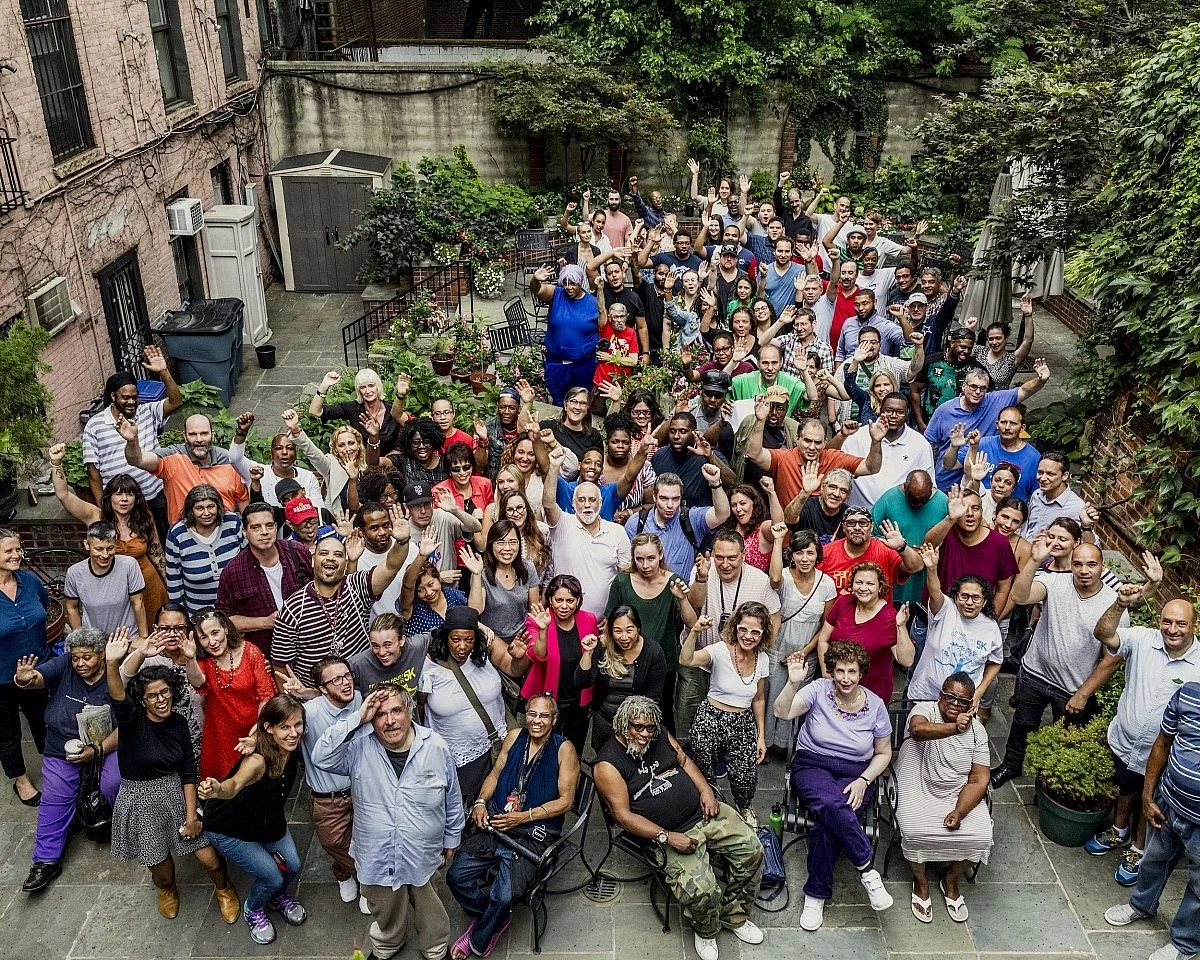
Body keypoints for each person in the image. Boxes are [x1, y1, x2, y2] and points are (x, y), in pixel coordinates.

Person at [595, 695, 765, 960]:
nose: (644, 734)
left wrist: (706, 790)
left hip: (703, 813)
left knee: (752, 849)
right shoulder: (607, 764)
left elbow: (684, 760)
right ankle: (706, 929)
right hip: (667, 834)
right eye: (636, 727)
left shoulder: (659, 734)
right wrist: (667, 836)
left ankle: (735, 915)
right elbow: (623, 816)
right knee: (703, 889)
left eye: (649, 728)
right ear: (621, 724)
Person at [312, 684, 464, 960]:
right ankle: (388, 944)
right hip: (377, 854)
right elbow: (320, 756)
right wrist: (357, 717)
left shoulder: (436, 747)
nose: (390, 720)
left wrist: (452, 837)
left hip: (424, 853)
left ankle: (435, 948)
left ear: (410, 712)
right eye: (380, 714)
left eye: (396, 710)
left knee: (431, 906)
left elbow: (452, 797)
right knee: (384, 907)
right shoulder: (358, 746)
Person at [103, 629, 239, 922]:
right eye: (152, 695)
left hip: (175, 793)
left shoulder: (178, 723)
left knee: (210, 859)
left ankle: (224, 889)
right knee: (161, 868)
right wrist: (112, 664)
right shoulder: (131, 720)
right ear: (142, 700)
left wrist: (192, 817)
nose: (160, 699)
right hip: (139, 800)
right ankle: (167, 890)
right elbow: (116, 694)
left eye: (165, 692)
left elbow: (188, 771)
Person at [447, 693, 581, 960]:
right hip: (497, 822)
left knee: (505, 895)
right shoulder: (514, 736)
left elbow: (566, 801)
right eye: (532, 714)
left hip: (531, 833)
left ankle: (480, 937)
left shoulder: (564, 748)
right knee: (456, 877)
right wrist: (481, 803)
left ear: (553, 720)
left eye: (544, 716)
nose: (537, 721)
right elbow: (496, 773)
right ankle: (492, 918)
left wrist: (524, 817)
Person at [1086, 561, 1194, 891]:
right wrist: (1120, 603)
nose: (1172, 629)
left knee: (1151, 805)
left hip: (1162, 756)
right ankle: (1117, 831)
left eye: (1181, 624)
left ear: (1194, 626)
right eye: (1167, 621)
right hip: (1124, 741)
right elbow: (1103, 634)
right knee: (1125, 788)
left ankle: (1137, 849)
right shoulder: (1143, 639)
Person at [772, 640, 894, 931]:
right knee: (830, 804)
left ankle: (815, 895)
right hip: (813, 764)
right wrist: (792, 683)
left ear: (861, 672)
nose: (845, 678)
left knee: (827, 822)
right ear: (832, 671)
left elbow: (884, 753)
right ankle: (867, 868)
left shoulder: (876, 705)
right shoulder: (818, 690)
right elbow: (781, 712)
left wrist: (865, 781)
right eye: (839, 670)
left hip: (857, 773)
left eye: (852, 671)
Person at [991, 537, 1126, 789]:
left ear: (1102, 565)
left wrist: (1083, 694)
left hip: (1072, 687)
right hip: (1035, 673)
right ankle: (1011, 764)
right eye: (1078, 564)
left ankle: (1051, 784)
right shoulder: (1055, 582)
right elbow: (1020, 596)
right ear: (1071, 565)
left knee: (1065, 737)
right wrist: (1034, 560)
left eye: (1091, 564)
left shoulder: (1114, 604)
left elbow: (1112, 659)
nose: (1084, 571)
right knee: (1022, 723)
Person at [198, 693, 308, 946]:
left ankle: (277, 897)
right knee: (271, 876)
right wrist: (217, 790)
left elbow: (262, 723)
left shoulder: (289, 743)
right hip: (231, 827)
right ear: (270, 729)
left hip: (268, 820)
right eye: (285, 728)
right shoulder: (258, 760)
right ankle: (254, 908)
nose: (293, 733)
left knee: (292, 866)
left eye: (297, 725)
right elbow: (234, 784)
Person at [16, 626, 119, 893]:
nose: (80, 663)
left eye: (87, 657)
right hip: (63, 746)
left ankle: (109, 821)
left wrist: (97, 750)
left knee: (114, 782)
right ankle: (45, 860)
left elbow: (128, 724)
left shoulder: (114, 673)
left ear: (100, 653)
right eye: (76, 658)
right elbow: (39, 678)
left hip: (105, 745)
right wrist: (26, 679)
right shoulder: (64, 666)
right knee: (55, 797)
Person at [272, 515, 412, 691]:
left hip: (361, 690)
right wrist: (294, 700)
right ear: (312, 560)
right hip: (317, 698)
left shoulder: (357, 586)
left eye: (338, 554)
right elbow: (280, 665)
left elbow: (391, 566)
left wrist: (402, 542)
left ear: (345, 562)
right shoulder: (293, 608)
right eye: (324, 553)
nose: (330, 558)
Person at [895, 674, 993, 923]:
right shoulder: (924, 709)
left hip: (956, 793)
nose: (954, 703)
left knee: (982, 835)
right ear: (940, 695)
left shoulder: (977, 731)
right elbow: (917, 730)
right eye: (949, 696)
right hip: (918, 784)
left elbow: (979, 779)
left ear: (971, 703)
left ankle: (950, 879)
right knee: (915, 831)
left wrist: (960, 811)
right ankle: (921, 881)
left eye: (962, 700)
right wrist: (954, 727)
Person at [48, 444, 168, 623]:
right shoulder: (97, 516)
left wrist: (169, 585)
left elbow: (157, 554)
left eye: (129, 494)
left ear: (136, 498)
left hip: (148, 585)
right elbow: (64, 495)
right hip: (113, 588)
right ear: (109, 497)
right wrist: (56, 464)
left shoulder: (144, 518)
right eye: (119, 494)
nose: (124, 499)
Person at [680, 530, 782, 741]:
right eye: (720, 557)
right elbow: (695, 603)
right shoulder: (703, 570)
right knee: (688, 709)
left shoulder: (760, 580)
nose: (725, 564)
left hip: (738, 662)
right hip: (700, 654)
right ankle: (688, 757)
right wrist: (701, 578)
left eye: (732, 558)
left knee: (727, 717)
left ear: (743, 556)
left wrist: (758, 646)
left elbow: (774, 616)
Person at [419, 606, 528, 802]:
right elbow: (420, 708)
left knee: (497, 800)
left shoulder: (484, 652)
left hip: (496, 747)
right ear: (445, 637)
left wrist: (519, 657)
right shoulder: (428, 667)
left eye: (469, 640)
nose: (462, 646)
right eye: (456, 639)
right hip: (457, 759)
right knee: (459, 807)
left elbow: (514, 669)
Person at [680, 603, 772, 821]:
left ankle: (744, 807)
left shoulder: (764, 660)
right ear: (735, 627)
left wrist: (761, 736)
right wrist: (694, 631)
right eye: (743, 629)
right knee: (704, 772)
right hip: (711, 717)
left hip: (742, 721)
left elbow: (758, 699)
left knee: (745, 775)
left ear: (763, 634)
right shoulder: (720, 650)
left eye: (755, 632)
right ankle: (707, 808)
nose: (748, 636)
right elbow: (686, 659)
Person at [81, 346, 182, 538]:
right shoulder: (95, 426)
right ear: (113, 397)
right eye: (125, 398)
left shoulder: (147, 412)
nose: (131, 402)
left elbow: (175, 401)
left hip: (155, 496)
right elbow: (93, 473)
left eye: (135, 397)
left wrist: (163, 372)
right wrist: (104, 507)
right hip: (123, 503)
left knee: (166, 541)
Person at [605, 533, 696, 730]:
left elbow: (691, 623)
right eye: (639, 559)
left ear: (661, 555)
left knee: (660, 716)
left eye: (651, 558)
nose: (645, 565)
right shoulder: (622, 581)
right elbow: (609, 623)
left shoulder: (673, 581)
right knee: (625, 717)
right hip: (625, 662)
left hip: (663, 663)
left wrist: (682, 599)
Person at [301, 655, 369, 913]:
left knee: (368, 839)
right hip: (327, 797)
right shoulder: (309, 713)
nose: (345, 683)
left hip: (361, 789)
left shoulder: (361, 700)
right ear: (322, 688)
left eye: (347, 675)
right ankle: (346, 873)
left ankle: (361, 881)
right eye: (336, 679)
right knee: (334, 843)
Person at [925, 361, 1050, 491]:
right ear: (964, 386)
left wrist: (1041, 380)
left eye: (983, 388)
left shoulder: (995, 401)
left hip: (980, 484)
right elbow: (929, 445)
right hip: (947, 480)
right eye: (973, 386)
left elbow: (1023, 391)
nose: (978, 392)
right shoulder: (944, 411)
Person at [765, 530, 837, 751]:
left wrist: (804, 652)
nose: (804, 559)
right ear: (792, 555)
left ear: (818, 555)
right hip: (777, 647)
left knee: (796, 699)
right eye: (799, 553)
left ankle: (787, 747)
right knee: (770, 697)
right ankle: (765, 743)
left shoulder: (826, 584)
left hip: (808, 651)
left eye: (810, 553)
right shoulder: (784, 577)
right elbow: (774, 579)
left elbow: (827, 625)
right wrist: (778, 540)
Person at [907, 544, 1003, 707]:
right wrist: (931, 569)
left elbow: (995, 661)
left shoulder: (991, 627)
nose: (969, 602)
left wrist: (979, 691)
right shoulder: (946, 609)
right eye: (964, 596)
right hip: (926, 697)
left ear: (984, 601)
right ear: (955, 597)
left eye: (976, 598)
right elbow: (935, 591)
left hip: (962, 703)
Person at [542, 446, 630, 617]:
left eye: (592, 500)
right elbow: (548, 504)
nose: (587, 505)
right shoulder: (562, 524)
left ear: (601, 503)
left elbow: (625, 579)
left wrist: (616, 615)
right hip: (564, 618)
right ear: (573, 504)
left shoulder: (617, 532)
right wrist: (553, 467)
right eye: (581, 500)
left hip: (604, 623)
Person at [190, 607, 276, 781]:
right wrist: (189, 659)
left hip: (254, 729)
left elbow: (266, 696)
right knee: (224, 789)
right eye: (204, 637)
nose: (212, 642)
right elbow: (197, 682)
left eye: (215, 633)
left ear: (226, 629)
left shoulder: (250, 652)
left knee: (254, 784)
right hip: (220, 737)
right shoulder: (203, 661)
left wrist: (257, 734)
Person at [117, 411, 248, 525]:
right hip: (184, 539)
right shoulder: (173, 458)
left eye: (204, 434)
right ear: (184, 436)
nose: (199, 439)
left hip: (225, 537)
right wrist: (132, 441)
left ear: (212, 435)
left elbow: (243, 501)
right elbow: (137, 460)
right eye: (192, 434)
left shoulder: (229, 462)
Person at [216, 502, 312, 655]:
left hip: (309, 642)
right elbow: (224, 620)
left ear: (275, 527)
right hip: (266, 652)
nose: (264, 532)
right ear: (244, 532)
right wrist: (265, 622)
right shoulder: (233, 572)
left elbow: (321, 590)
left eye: (269, 526)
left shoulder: (298, 552)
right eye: (256, 527)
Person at [812, 562, 915, 703]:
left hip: (871, 694)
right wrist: (826, 670)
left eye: (870, 584)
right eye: (859, 582)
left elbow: (906, 660)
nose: (863, 588)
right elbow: (824, 640)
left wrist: (901, 626)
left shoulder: (889, 617)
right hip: (837, 689)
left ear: (880, 587)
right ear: (852, 585)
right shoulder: (843, 603)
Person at [0, 528, 50, 807]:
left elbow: (43, 608)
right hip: (2, 678)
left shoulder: (30, 581)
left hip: (38, 670)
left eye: (18, 549)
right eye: (9, 551)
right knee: (7, 731)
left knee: (43, 720)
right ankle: (20, 779)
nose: (17, 555)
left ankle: (54, 766)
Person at [745, 407, 883, 507]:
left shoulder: (834, 458)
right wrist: (760, 421)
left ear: (825, 442)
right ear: (797, 439)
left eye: (817, 442)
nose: (812, 447)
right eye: (807, 441)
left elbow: (871, 468)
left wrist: (876, 442)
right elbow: (754, 454)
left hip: (824, 535)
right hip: (789, 534)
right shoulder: (784, 458)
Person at [118, 604, 205, 762]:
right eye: (165, 629)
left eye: (179, 628)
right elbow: (119, 683)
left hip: (199, 740)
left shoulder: (201, 655)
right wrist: (141, 653)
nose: (172, 634)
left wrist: (191, 659)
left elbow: (202, 686)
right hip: (158, 743)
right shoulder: (148, 657)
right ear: (156, 629)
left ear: (187, 629)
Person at [523, 576, 597, 752]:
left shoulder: (588, 619)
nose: (564, 606)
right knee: (543, 749)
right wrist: (543, 629)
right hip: (549, 698)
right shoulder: (539, 620)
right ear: (550, 599)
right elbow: (538, 656)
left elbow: (592, 656)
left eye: (570, 601)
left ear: (578, 600)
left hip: (579, 700)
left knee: (574, 749)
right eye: (559, 600)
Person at [577, 605, 666, 750]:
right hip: (605, 721)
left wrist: (636, 726)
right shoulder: (603, 647)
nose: (623, 637)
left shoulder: (653, 652)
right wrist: (588, 653)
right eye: (617, 631)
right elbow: (582, 682)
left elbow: (653, 696)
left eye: (629, 630)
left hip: (636, 726)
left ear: (638, 629)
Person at [626, 471, 729, 578]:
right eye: (664, 498)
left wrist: (715, 483)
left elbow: (722, 514)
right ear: (654, 497)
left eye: (675, 499)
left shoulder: (691, 519)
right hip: (646, 591)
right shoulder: (636, 523)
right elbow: (628, 565)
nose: (670, 505)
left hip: (681, 592)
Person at [840, 392, 934, 508]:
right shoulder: (858, 436)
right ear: (881, 410)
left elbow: (929, 485)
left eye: (900, 412)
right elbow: (835, 466)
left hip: (897, 515)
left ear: (907, 414)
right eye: (889, 410)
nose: (894, 415)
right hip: (858, 516)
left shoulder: (920, 443)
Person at [871, 470, 949, 610]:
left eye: (923, 500)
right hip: (896, 572)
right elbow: (871, 535)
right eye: (913, 499)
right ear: (905, 487)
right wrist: (902, 549)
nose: (918, 504)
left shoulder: (943, 502)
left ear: (932, 489)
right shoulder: (889, 499)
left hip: (928, 574)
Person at [164, 484, 244, 614]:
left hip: (238, 610)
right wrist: (179, 615)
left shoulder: (232, 522)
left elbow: (250, 558)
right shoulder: (177, 534)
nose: (206, 513)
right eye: (199, 508)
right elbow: (174, 580)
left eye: (211, 507)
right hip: (199, 614)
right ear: (191, 510)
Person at [63, 520, 148, 638]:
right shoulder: (75, 573)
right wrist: (81, 638)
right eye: (99, 549)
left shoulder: (129, 565)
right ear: (87, 545)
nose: (105, 555)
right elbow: (72, 607)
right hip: (94, 639)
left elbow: (138, 602)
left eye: (110, 548)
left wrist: (142, 637)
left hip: (126, 636)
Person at [532, 264, 600, 406]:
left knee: (580, 403)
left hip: (583, 365)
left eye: (573, 283)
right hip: (557, 363)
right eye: (565, 283)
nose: (568, 287)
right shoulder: (557, 294)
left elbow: (603, 326)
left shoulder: (592, 303)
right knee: (558, 403)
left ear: (580, 282)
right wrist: (535, 279)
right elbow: (538, 290)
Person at [229, 413, 325, 511]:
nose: (284, 452)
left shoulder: (308, 477)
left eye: (290, 448)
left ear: (296, 454)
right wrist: (241, 432)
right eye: (279, 448)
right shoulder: (258, 472)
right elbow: (235, 458)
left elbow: (319, 510)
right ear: (271, 453)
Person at [281, 410, 363, 514]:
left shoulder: (365, 466)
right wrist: (296, 429)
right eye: (341, 445)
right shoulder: (331, 465)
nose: (347, 449)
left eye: (351, 443)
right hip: (340, 521)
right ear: (335, 449)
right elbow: (314, 454)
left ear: (358, 445)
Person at [955, 405, 1041, 503]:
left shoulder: (1034, 458)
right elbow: (956, 468)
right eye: (1004, 422)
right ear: (997, 424)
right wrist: (969, 447)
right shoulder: (981, 443)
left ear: (1022, 428)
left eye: (1013, 423)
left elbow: (1037, 495)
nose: (1007, 427)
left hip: (1013, 513)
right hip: (980, 507)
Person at [311, 368, 401, 456]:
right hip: (360, 464)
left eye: (371, 386)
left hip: (389, 464)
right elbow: (315, 412)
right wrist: (324, 386)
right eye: (362, 387)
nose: (367, 391)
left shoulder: (392, 410)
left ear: (378, 386)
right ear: (358, 390)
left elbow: (401, 446)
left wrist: (383, 463)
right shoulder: (352, 408)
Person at [348, 612, 427, 696]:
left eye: (387, 645)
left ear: (402, 641)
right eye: (375, 646)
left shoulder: (416, 647)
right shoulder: (359, 664)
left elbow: (438, 635)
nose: (381, 652)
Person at [1022, 451, 1091, 539]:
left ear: (1065, 476)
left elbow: (1089, 545)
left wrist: (1086, 528)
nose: (1042, 478)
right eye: (1040, 472)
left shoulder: (1077, 507)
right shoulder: (1036, 495)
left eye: (1050, 474)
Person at [972, 297, 1036, 389]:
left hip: (998, 400)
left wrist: (1028, 315)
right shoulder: (979, 351)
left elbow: (1028, 340)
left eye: (998, 338)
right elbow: (962, 349)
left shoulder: (1011, 360)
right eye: (991, 339)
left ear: (1006, 339)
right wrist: (968, 329)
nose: (994, 342)